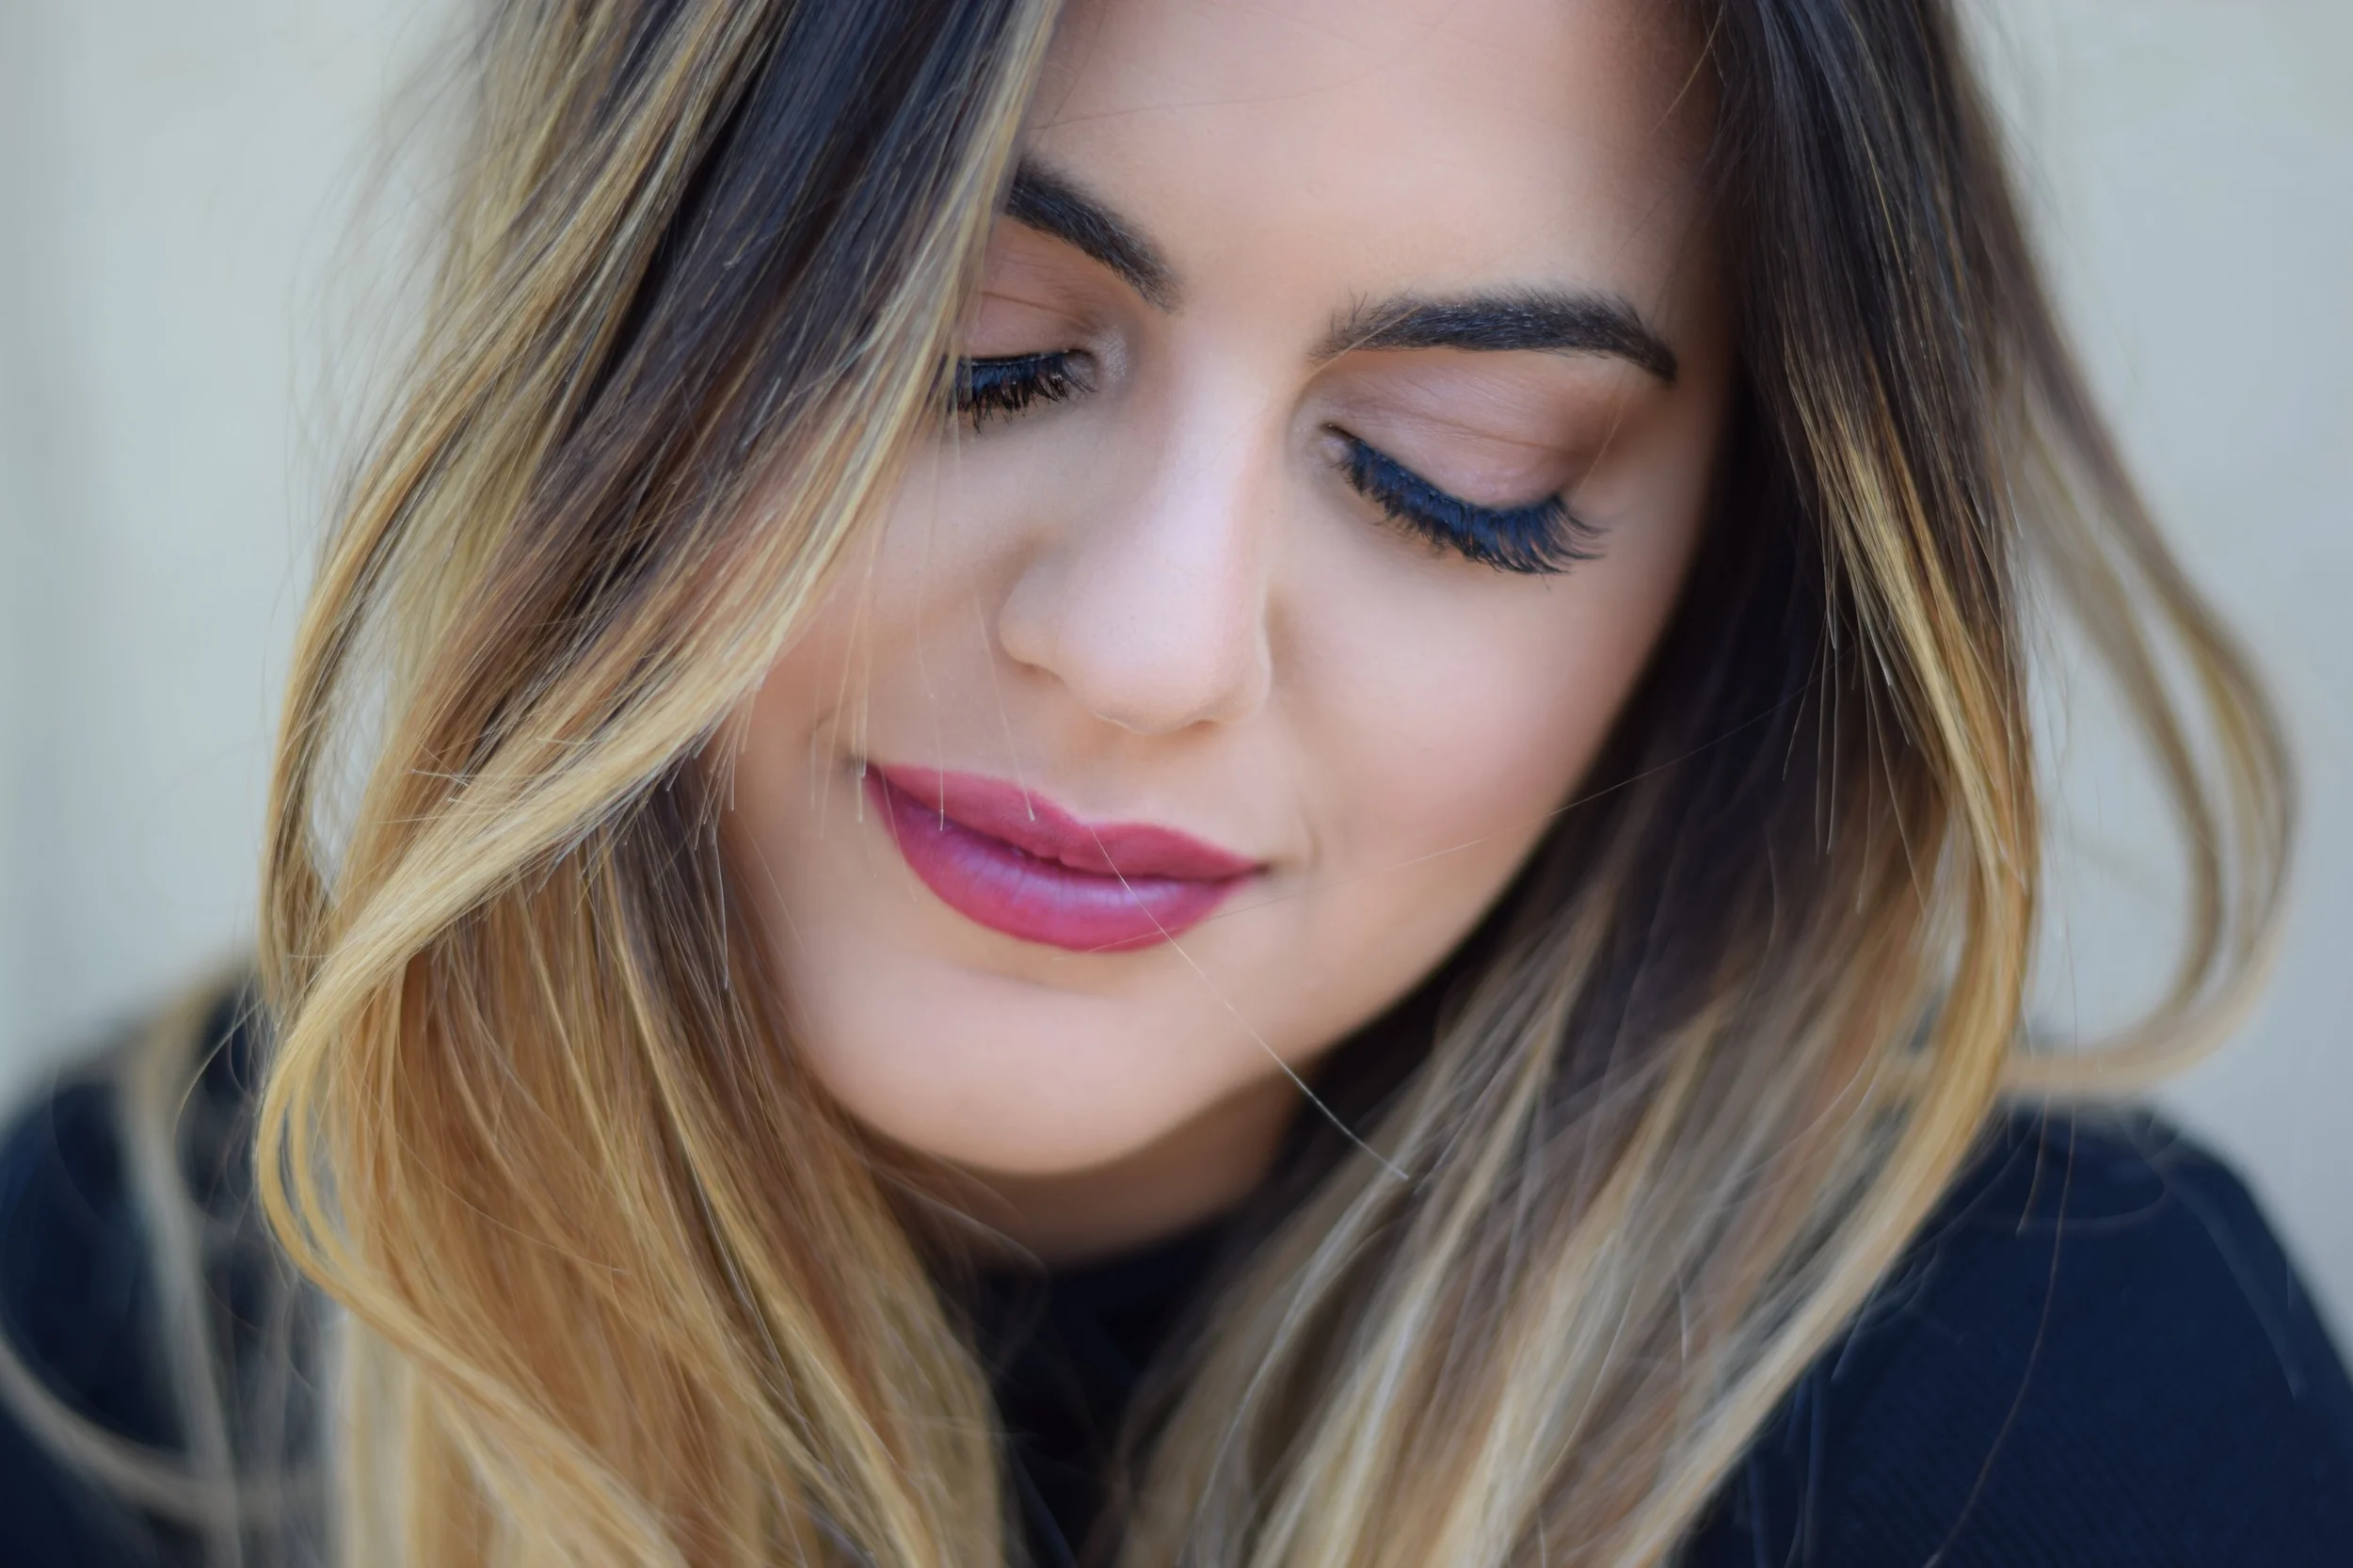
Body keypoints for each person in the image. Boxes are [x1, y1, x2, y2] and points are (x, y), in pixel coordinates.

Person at [1, 0, 2345, 1563]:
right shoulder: (118, 1324)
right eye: (969, 344)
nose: (1136, 651)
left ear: (1724, 572)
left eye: (1449, 470)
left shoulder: (2061, 1417)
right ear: (608, 303)